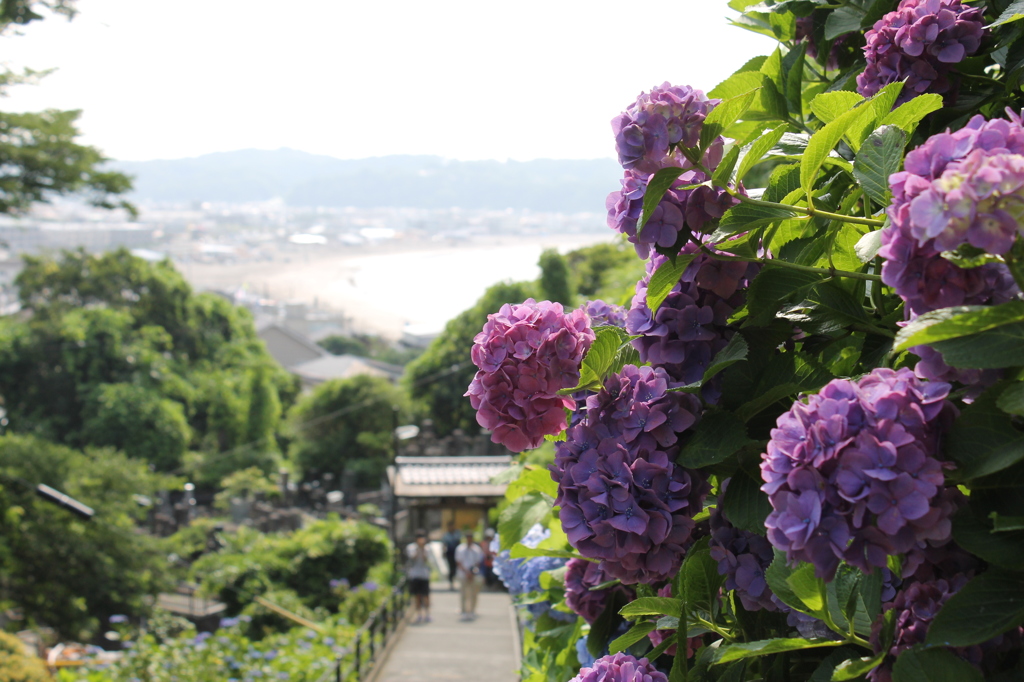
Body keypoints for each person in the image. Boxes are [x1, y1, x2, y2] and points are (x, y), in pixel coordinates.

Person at [455, 529, 484, 621]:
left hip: (473, 574)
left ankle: (472, 610)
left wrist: (472, 572)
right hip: (463, 574)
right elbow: (459, 562)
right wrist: (466, 572)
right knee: (463, 593)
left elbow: (478, 562)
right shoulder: (460, 549)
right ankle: (463, 610)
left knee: (473, 593)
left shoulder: (476, 549)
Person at [405, 529, 432, 624]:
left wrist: (423, 549)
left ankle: (428, 614)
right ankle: (419, 614)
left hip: (424, 574)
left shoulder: (427, 548)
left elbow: (426, 560)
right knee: (417, 595)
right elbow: (413, 559)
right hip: (415, 574)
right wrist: (418, 548)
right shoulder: (411, 547)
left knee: (426, 595)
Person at [442, 522, 461, 591]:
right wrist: (443, 552)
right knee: (451, 567)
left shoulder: (457, 534)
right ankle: (451, 582)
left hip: (456, 552)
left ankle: (454, 579)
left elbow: (459, 543)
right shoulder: (446, 535)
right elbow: (444, 545)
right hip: (449, 553)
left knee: (455, 568)